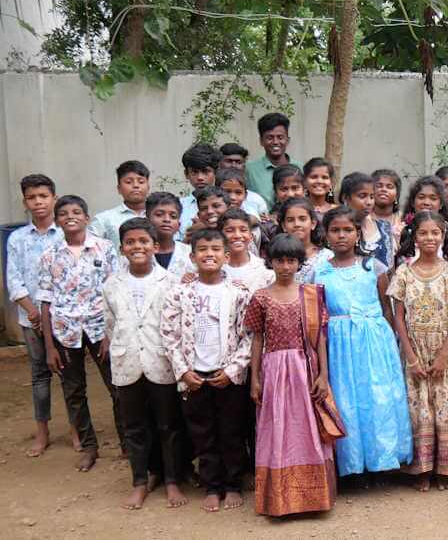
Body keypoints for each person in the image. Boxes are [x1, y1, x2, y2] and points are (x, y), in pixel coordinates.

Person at [316, 206, 413, 482]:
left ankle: (382, 461)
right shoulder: (321, 272)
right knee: (348, 400)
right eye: (335, 230)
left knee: (378, 397)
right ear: (326, 234)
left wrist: (392, 345)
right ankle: (353, 466)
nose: (342, 235)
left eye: (348, 230)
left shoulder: (373, 266)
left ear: (358, 233)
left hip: (374, 341)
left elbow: (386, 308)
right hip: (339, 346)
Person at [161, 228, 254, 512]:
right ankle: (212, 486)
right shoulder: (180, 292)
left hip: (228, 376)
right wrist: (183, 371)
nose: (209, 254)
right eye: (202, 249)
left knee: (232, 432)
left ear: (226, 256)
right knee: (202, 433)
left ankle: (232, 485)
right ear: (192, 256)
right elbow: (169, 334)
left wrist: (233, 369)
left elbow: (249, 336)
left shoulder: (239, 293)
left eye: (215, 249)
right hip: (194, 377)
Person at [246, 234, 338, 516]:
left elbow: (320, 338)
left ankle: (314, 498)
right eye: (279, 260)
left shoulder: (310, 294)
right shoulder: (261, 297)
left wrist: (323, 375)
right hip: (274, 371)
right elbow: (257, 339)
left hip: (305, 369)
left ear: (299, 263)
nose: (285, 266)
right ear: (270, 262)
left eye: (291, 261)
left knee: (307, 428)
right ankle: (280, 498)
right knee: (277, 427)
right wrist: (255, 378)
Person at [102, 218, 187, 510]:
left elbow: (176, 324)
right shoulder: (111, 285)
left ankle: (173, 479)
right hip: (127, 363)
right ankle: (141, 480)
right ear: (122, 248)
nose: (137, 247)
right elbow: (111, 325)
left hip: (161, 360)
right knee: (135, 426)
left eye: (143, 242)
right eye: (130, 242)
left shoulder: (170, 282)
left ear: (154, 246)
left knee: (168, 424)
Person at [39, 195, 122, 472]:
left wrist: (111, 334)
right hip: (65, 331)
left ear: (87, 218)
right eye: (63, 213)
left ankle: (127, 442)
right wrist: (49, 346)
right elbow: (46, 301)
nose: (70, 216)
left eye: (76, 211)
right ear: (57, 219)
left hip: (101, 328)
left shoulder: (105, 249)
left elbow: (114, 292)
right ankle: (89, 446)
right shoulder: (50, 256)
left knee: (117, 386)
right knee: (74, 391)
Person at [388, 211, 448, 491]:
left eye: (435, 233)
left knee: (445, 406)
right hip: (413, 349)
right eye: (424, 233)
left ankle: (447, 469)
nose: (430, 238)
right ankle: (421, 470)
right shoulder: (404, 272)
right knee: (418, 409)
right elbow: (398, 317)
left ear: (443, 235)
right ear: (415, 237)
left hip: (444, 347)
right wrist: (410, 357)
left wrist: (445, 353)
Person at [7, 174, 67, 457]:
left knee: (70, 375)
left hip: (65, 318)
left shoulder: (66, 232)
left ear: (54, 198)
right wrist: (33, 313)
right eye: (32, 198)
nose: (38, 202)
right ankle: (42, 431)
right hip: (30, 319)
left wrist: (55, 314)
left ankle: (79, 430)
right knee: (40, 374)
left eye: (43, 196)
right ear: (25, 202)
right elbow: (14, 280)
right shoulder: (17, 239)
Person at [89, 160, 150, 248]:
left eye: (141, 182)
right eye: (129, 182)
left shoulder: (160, 216)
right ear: (119, 189)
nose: (136, 185)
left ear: (148, 187)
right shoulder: (104, 219)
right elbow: (89, 248)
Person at [246, 112, 302, 204]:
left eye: (280, 137)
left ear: (288, 140)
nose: (275, 142)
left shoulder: (300, 168)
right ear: (261, 141)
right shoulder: (249, 170)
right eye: (269, 138)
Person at [341, 171, 394, 267]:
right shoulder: (336, 228)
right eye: (362, 196)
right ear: (346, 198)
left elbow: (390, 268)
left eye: (372, 197)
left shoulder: (384, 227)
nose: (369, 202)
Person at [279, 197, 331, 283]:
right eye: (290, 220)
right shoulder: (277, 257)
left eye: (302, 219)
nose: (296, 224)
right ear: (284, 226)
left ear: (313, 223)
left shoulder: (327, 257)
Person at [219, 208, 274, 291]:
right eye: (230, 230)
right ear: (220, 236)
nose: (237, 235)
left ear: (251, 236)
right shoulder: (215, 268)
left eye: (243, 230)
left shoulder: (263, 269)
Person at [177, 143, 222, 241]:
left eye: (205, 171)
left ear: (216, 172)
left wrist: (207, 228)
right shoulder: (179, 206)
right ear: (186, 174)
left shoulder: (228, 202)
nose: (200, 178)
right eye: (194, 172)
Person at [145, 192, 194, 279]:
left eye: (173, 216)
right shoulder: (139, 253)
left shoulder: (190, 253)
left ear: (179, 224)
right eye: (159, 215)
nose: (167, 220)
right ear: (147, 220)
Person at [219, 143, 269, 215]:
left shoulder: (256, 200)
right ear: (219, 164)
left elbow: (265, 223)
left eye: (238, 162)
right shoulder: (209, 197)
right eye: (229, 161)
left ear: (244, 166)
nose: (233, 166)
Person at [371, 168, 403, 243]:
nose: (384, 189)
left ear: (396, 195)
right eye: (379, 186)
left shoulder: (403, 219)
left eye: (389, 187)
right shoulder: (363, 219)